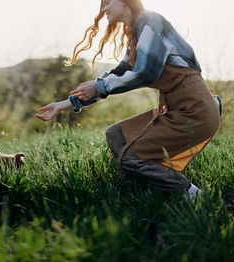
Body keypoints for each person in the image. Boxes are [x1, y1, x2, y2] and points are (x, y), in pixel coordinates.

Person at [35, 0, 222, 200]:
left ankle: (191, 194)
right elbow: (116, 75)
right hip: (176, 108)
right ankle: (132, 191)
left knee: (130, 157)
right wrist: (65, 104)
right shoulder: (135, 35)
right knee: (116, 135)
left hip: (196, 110)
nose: (104, 9)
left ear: (125, 2)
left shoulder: (150, 22)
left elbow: (145, 73)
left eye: (108, 2)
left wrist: (99, 87)